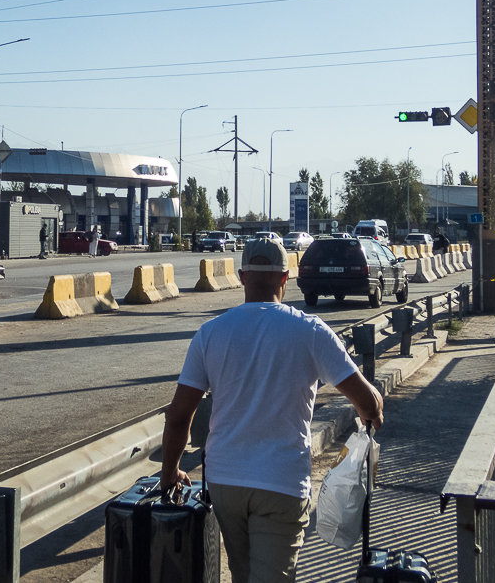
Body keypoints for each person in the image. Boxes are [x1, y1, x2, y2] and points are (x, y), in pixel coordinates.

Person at [159, 238, 384, 583]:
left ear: (241, 276)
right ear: (285, 278)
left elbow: (178, 417)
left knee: (242, 574)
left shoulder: (210, 333)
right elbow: (367, 403)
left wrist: (170, 472)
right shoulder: (310, 331)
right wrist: (375, 407)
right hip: (281, 483)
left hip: (225, 482)